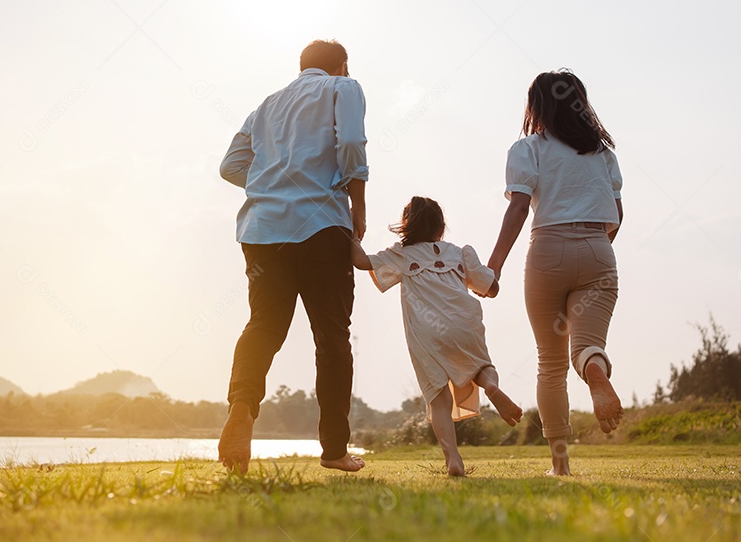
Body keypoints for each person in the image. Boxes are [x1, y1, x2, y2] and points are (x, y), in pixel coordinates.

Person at [217, 39, 368, 475]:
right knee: (332, 338)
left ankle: (242, 406)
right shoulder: (344, 87)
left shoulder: (266, 105)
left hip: (262, 230)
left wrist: (271, 183)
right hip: (321, 226)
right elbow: (351, 142)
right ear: (341, 66)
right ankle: (334, 450)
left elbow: (230, 166)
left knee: (264, 325)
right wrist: (358, 207)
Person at [486, 69, 624, 476]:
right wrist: (593, 251)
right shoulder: (602, 154)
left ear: (537, 107)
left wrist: (495, 265)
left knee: (550, 362)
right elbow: (617, 214)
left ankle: (560, 465)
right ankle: (595, 372)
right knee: (587, 345)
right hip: (598, 249)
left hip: (548, 249)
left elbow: (518, 207)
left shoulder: (529, 149)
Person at [350, 196, 523, 477]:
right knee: (481, 367)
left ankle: (453, 458)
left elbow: (360, 261)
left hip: (427, 333)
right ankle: (491, 386)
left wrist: (351, 233)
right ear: (441, 227)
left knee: (438, 398)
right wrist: (482, 278)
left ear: (407, 226)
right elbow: (492, 288)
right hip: (464, 322)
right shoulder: (461, 253)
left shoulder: (402, 254)